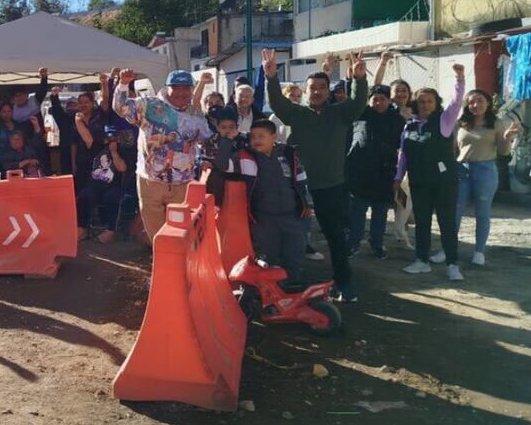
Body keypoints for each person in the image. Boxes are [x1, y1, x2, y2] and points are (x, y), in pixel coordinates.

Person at [264, 48, 367, 302]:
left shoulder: (340, 113)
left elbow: (358, 103)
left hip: (331, 187)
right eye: (312, 87)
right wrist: (271, 77)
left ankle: (344, 283)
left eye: (322, 87)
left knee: (335, 238)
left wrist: (360, 80)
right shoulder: (297, 114)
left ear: (328, 89)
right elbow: (278, 103)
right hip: (299, 189)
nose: (317, 91)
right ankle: (290, 280)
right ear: (306, 91)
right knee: (295, 237)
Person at [113, 69, 210, 242]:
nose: (182, 92)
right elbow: (121, 108)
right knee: (156, 232)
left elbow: (205, 140)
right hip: (150, 179)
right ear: (167, 88)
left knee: (180, 230)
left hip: (182, 182)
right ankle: (160, 259)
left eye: (186, 88)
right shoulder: (149, 105)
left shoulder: (196, 114)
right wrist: (123, 84)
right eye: (176, 87)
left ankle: (177, 262)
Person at [215, 119, 315, 286]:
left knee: (295, 252)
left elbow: (301, 179)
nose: (256, 140)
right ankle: (273, 291)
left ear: (274, 137)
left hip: (292, 215)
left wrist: (308, 203)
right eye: (253, 137)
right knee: (270, 255)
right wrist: (228, 140)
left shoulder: (288, 154)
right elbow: (222, 164)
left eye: (261, 136)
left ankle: (292, 286)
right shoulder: (245, 157)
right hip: (264, 218)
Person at [395, 64, 465, 280]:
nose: (425, 105)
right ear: (415, 103)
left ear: (436, 104)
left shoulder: (444, 121)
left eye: (429, 101)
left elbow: (456, 102)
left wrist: (459, 78)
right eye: (421, 101)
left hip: (444, 181)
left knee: (446, 222)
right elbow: (403, 155)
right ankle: (421, 261)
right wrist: (398, 177)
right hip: (419, 181)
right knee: (422, 222)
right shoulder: (409, 126)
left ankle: (452, 264)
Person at [451, 88, 518, 266]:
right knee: (455, 211)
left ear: (487, 103)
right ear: (467, 105)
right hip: (462, 170)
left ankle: (479, 251)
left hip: (485, 170)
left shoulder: (496, 123)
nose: (476, 105)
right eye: (472, 102)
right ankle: (448, 248)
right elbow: (452, 149)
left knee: (482, 212)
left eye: (480, 101)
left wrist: (507, 138)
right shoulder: (461, 123)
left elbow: (503, 152)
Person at [346, 85, 405, 259]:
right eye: (375, 99)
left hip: (385, 173)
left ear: (389, 100)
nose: (378, 102)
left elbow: (402, 148)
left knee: (380, 213)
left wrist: (399, 176)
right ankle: (353, 243)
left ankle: (377, 244)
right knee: (357, 212)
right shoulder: (360, 114)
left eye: (382, 99)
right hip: (359, 172)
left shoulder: (397, 120)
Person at [74, 125, 127, 243]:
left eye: (113, 136)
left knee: (112, 197)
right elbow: (86, 136)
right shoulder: (96, 148)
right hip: (94, 186)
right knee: (83, 195)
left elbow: (122, 168)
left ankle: (111, 230)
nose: (111, 139)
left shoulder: (122, 150)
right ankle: (82, 228)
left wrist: (113, 152)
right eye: (108, 136)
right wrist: (78, 121)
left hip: (112, 186)